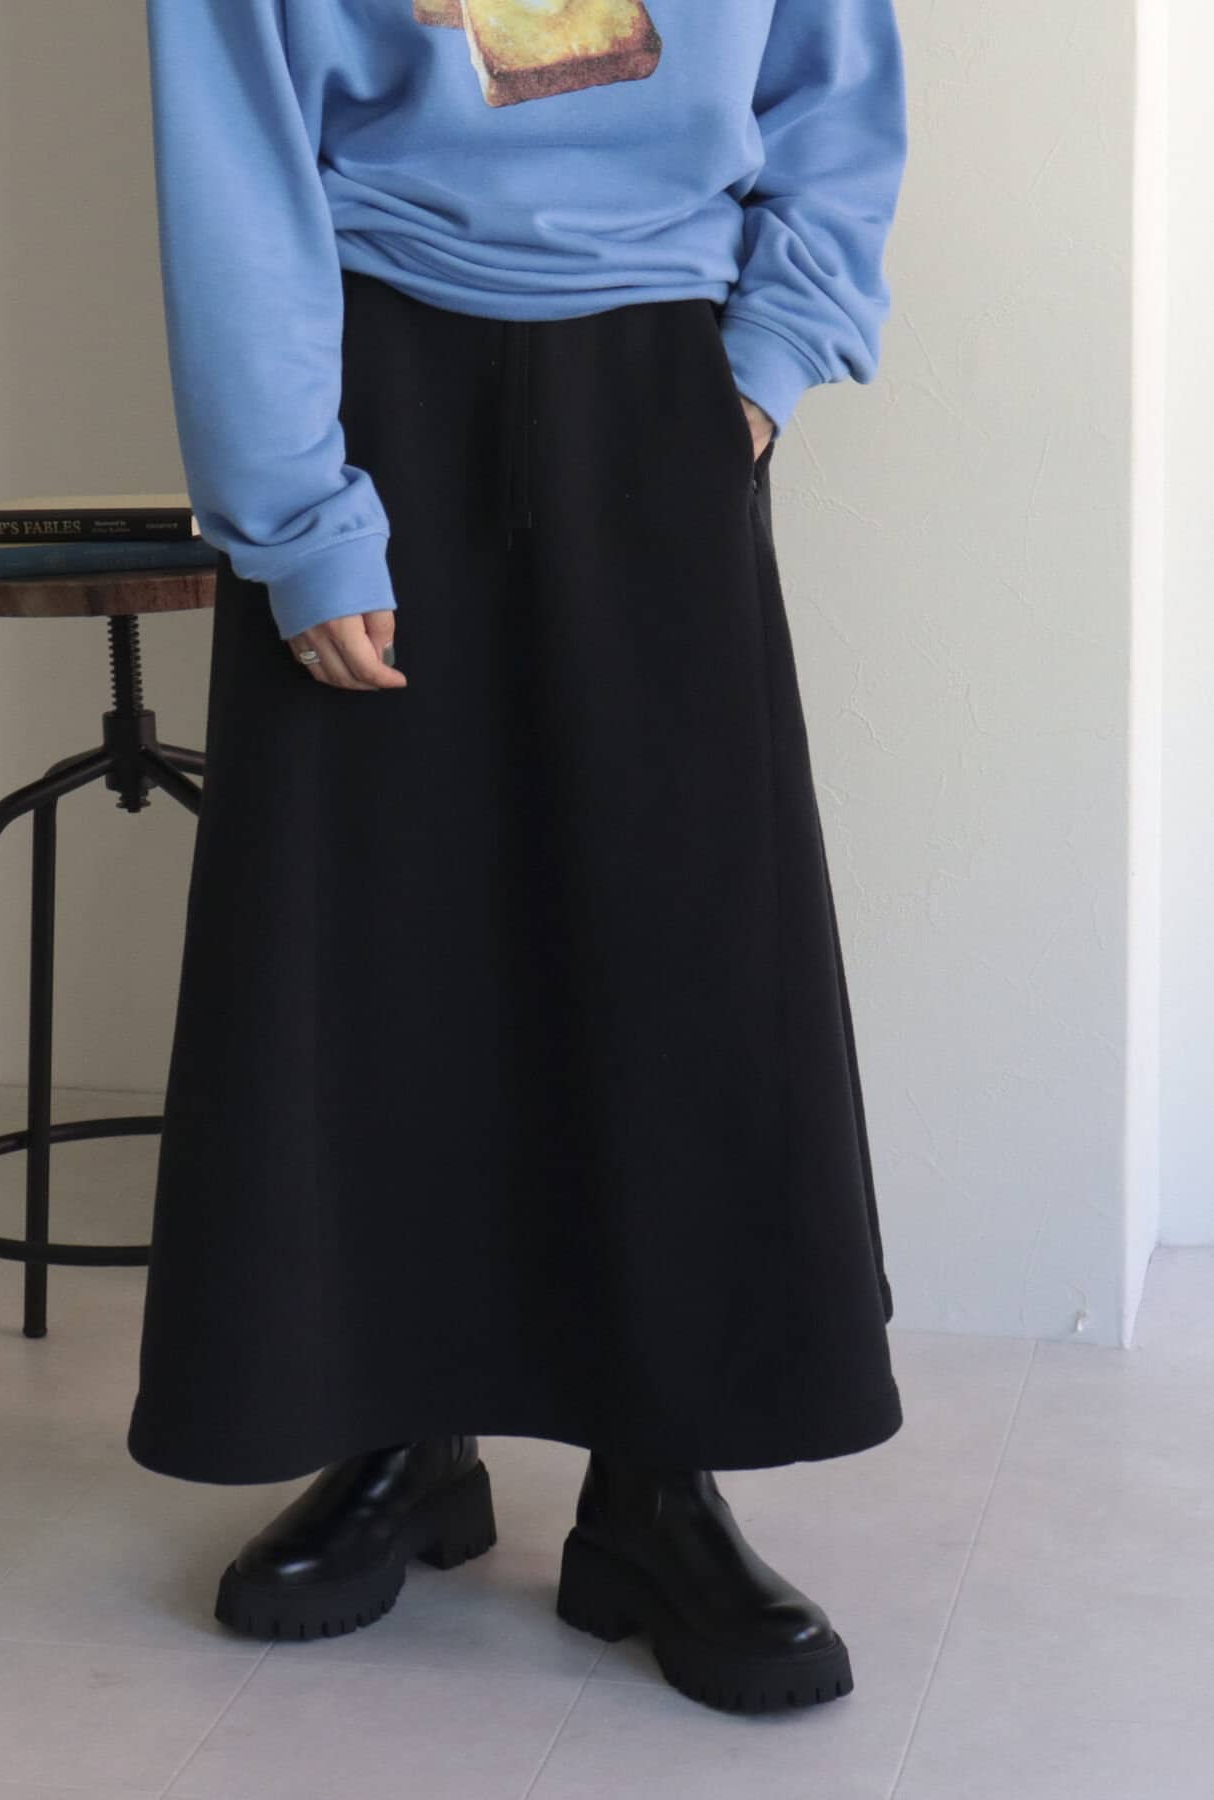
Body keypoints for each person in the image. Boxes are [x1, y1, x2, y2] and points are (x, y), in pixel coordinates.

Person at [127, 0, 909, 1715]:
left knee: (684, 944)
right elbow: (237, 156)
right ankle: (397, 1434)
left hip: (664, 379)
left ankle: (658, 1486)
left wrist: (765, 363)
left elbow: (835, 87)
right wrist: (297, 511)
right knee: (372, 941)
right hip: (370, 371)